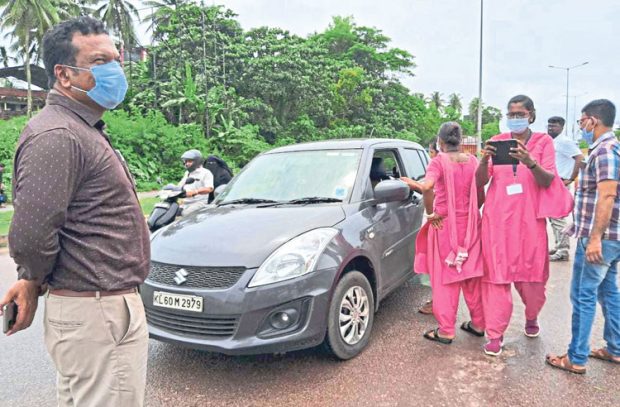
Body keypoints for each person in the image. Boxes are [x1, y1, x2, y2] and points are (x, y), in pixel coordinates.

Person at [0, 17, 150, 406]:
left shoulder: (81, 128)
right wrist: (31, 277)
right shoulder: (59, 135)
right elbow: (32, 232)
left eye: (116, 59)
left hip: (98, 309)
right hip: (97, 311)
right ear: (65, 75)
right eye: (101, 61)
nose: (115, 70)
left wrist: (33, 281)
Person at [476, 95, 573, 356]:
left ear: (531, 115)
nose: (515, 118)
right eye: (511, 113)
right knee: (495, 278)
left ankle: (531, 317)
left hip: (530, 223)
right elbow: (480, 182)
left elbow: (548, 180)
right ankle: (495, 335)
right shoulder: (498, 142)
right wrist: (484, 161)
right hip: (497, 222)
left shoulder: (543, 142)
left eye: (520, 113)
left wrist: (530, 161)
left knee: (533, 279)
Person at [546, 99, 620, 374]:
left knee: (582, 295)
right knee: (608, 291)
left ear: (593, 121)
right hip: (607, 236)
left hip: (601, 238)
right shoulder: (606, 149)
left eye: (581, 121)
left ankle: (575, 358)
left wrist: (595, 238)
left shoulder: (606, 152)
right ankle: (615, 348)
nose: (581, 127)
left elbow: (608, 195)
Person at [402, 122, 485, 344]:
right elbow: (480, 194)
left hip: (445, 227)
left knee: (445, 279)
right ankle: (478, 324)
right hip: (470, 226)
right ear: (460, 140)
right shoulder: (473, 161)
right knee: (471, 276)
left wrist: (431, 213)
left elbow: (428, 187)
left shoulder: (438, 162)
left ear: (439, 142)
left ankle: (446, 330)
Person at [547, 116, 585, 261]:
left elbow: (580, 158)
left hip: (561, 182)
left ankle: (563, 250)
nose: (550, 128)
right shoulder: (554, 141)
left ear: (562, 127)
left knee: (557, 217)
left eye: (554, 126)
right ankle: (558, 245)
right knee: (552, 216)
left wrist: (572, 177)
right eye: (549, 125)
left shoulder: (564, 141)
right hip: (554, 182)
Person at [418, 137, 440, 315]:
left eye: (431, 152)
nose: (430, 156)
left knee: (435, 262)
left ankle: (438, 303)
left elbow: (428, 189)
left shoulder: (437, 166)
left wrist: (431, 214)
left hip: (438, 220)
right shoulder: (461, 163)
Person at [179, 149, 214, 215]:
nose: (187, 164)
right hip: (185, 202)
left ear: (197, 161)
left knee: (185, 214)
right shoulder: (187, 173)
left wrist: (195, 192)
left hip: (199, 202)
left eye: (189, 161)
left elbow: (209, 188)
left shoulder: (206, 173)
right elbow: (180, 185)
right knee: (172, 211)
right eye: (186, 161)